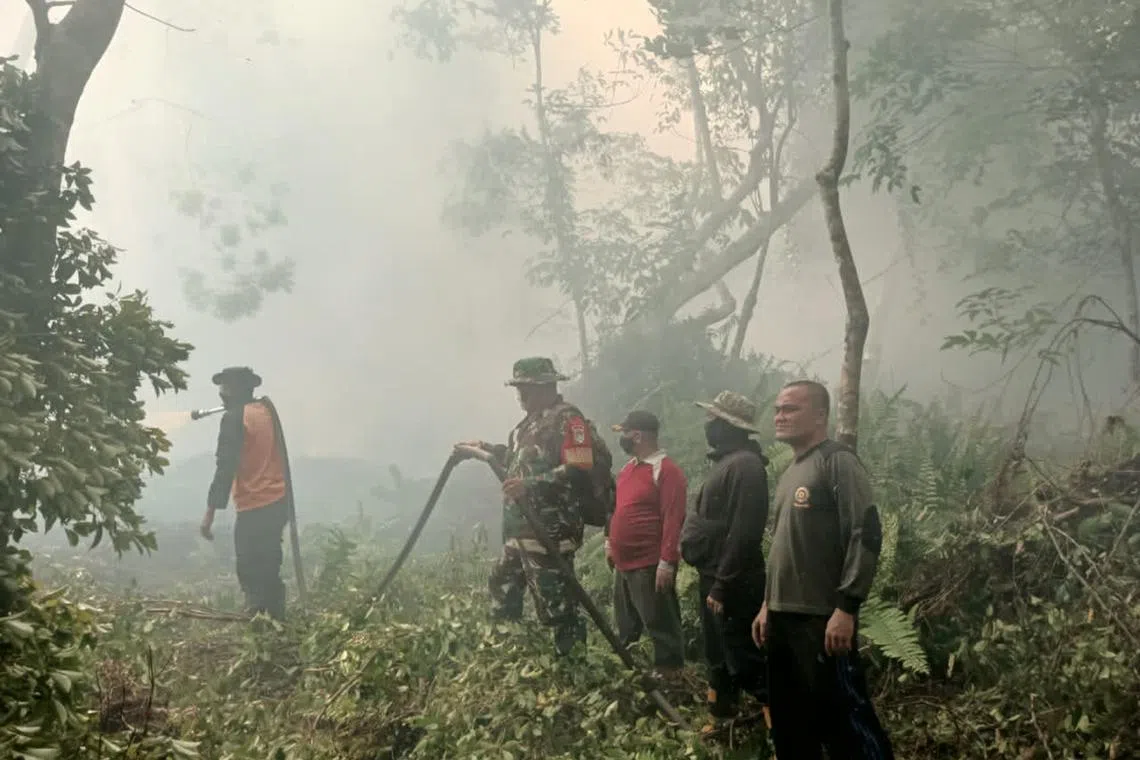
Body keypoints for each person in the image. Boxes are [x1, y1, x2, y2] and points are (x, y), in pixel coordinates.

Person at [753, 379, 894, 759]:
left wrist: (846, 607)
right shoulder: (790, 473)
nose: (779, 416)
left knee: (846, 724)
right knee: (791, 725)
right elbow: (784, 547)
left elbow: (866, 534)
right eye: (778, 409)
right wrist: (768, 605)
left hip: (821, 621)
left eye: (790, 409)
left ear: (820, 414)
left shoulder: (838, 462)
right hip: (783, 619)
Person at [455, 357, 597, 656]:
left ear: (546, 387)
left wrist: (531, 485)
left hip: (549, 532)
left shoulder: (570, 419)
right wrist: (487, 449)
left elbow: (580, 464)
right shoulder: (527, 425)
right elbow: (520, 462)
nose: (521, 396)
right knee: (501, 591)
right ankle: (509, 661)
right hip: (520, 531)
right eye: (519, 389)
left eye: (526, 389)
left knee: (557, 608)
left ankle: (574, 670)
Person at [679, 390, 770, 729]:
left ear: (729, 425)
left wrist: (722, 585)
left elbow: (745, 532)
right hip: (714, 577)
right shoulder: (727, 462)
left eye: (714, 419)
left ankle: (786, 739)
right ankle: (721, 723)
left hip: (734, 582)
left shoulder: (746, 466)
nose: (708, 424)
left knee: (745, 658)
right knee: (717, 656)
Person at [199, 366, 291, 622]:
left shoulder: (234, 419)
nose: (221, 393)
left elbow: (225, 467)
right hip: (279, 502)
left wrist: (209, 514)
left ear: (238, 390)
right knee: (270, 563)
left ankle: (258, 620)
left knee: (249, 566)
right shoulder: (265, 411)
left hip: (255, 504)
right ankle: (277, 621)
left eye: (225, 388)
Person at [607, 410, 687, 679]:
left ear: (637, 435)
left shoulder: (666, 470)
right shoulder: (627, 469)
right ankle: (631, 676)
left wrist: (667, 561)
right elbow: (618, 510)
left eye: (625, 433)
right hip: (623, 563)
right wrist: (610, 542)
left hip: (649, 563)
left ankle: (671, 675)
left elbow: (673, 518)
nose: (623, 438)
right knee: (626, 623)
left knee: (659, 622)